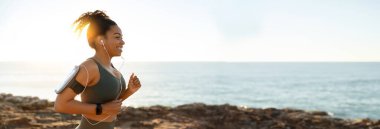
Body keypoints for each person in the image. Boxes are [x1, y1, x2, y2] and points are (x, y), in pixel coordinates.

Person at [54, 10, 141, 129]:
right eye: (117, 37)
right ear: (101, 40)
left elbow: (112, 104)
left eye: (122, 37)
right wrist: (102, 109)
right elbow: (60, 104)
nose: (123, 42)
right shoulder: (89, 67)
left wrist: (129, 91)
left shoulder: (113, 69)